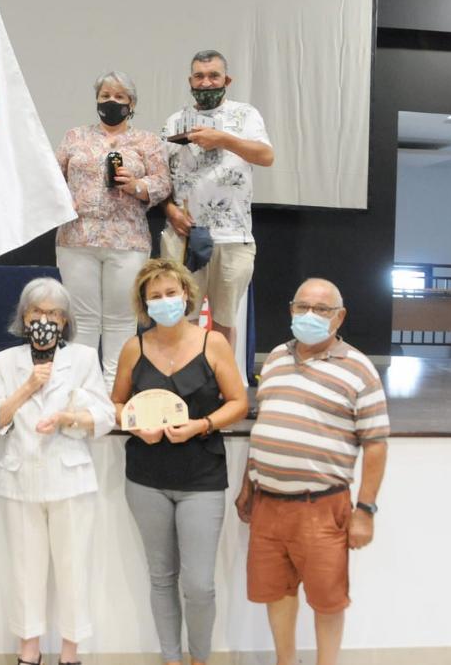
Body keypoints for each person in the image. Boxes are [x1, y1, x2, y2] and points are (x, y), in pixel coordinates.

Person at [235, 278, 388, 665]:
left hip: (322, 507)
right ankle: (286, 661)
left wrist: (365, 511)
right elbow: (266, 424)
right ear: (290, 310)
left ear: (340, 317)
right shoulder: (274, 359)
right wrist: (248, 483)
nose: (310, 315)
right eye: (302, 307)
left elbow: (376, 444)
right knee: (276, 592)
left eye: (321, 309)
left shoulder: (359, 369)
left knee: (327, 599)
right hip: (268, 505)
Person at [111, 258, 249, 665]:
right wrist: (134, 426)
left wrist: (202, 425)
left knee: (200, 584)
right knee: (161, 577)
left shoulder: (213, 344)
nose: (165, 301)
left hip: (202, 475)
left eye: (171, 293)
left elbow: (239, 403)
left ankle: (199, 659)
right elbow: (117, 402)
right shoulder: (133, 347)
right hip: (146, 478)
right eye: (155, 296)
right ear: (144, 304)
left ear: (187, 295)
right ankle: (171, 658)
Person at [0, 277, 116, 665]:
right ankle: (29, 651)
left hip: (71, 478)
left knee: (74, 568)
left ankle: (71, 652)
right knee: (26, 569)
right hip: (20, 477)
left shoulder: (84, 358)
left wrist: (68, 418)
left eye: (54, 313)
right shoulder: (7, 362)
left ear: (65, 320)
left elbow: (105, 415)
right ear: (24, 317)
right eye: (37, 312)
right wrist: (26, 387)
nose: (45, 319)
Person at [55, 70, 170, 389]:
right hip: (77, 238)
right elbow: (53, 179)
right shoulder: (75, 136)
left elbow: (162, 183)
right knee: (83, 318)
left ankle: (115, 393)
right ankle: (81, 391)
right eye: (105, 96)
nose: (111, 102)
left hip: (128, 240)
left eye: (119, 97)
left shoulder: (147, 141)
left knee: (121, 319)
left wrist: (137, 185)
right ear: (96, 100)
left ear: (131, 103)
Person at [159, 49, 273, 353]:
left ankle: (220, 389)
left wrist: (223, 139)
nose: (206, 82)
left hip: (234, 237)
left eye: (213, 76)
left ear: (227, 79)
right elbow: (159, 179)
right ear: (190, 81)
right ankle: (186, 389)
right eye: (199, 76)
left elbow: (266, 156)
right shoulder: (174, 122)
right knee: (182, 318)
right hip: (184, 236)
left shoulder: (246, 114)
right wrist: (169, 210)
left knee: (224, 322)